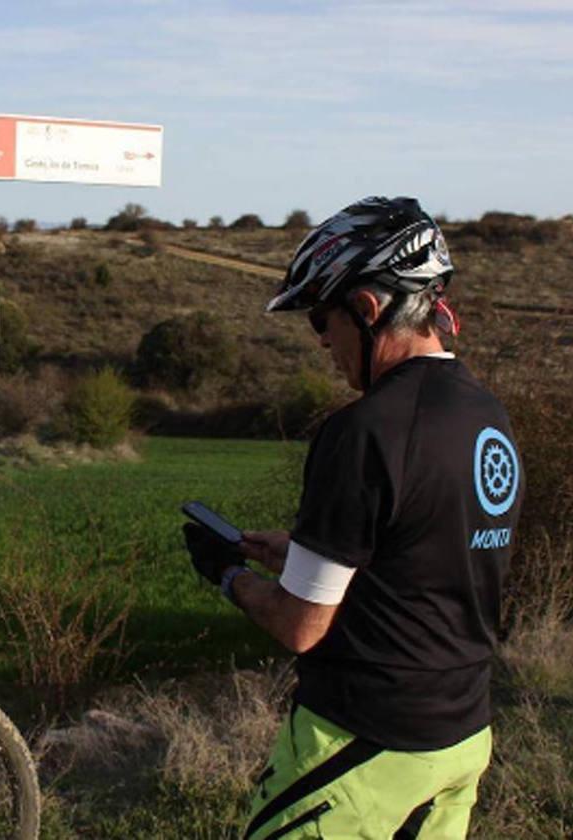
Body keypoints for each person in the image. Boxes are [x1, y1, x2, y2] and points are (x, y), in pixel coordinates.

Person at [183, 196, 524, 839]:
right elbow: (425, 550)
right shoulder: (486, 413)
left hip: (364, 742)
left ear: (368, 310)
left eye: (322, 319)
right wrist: (298, 551)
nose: (321, 343)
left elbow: (300, 626)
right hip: (463, 734)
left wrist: (227, 574)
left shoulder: (365, 430)